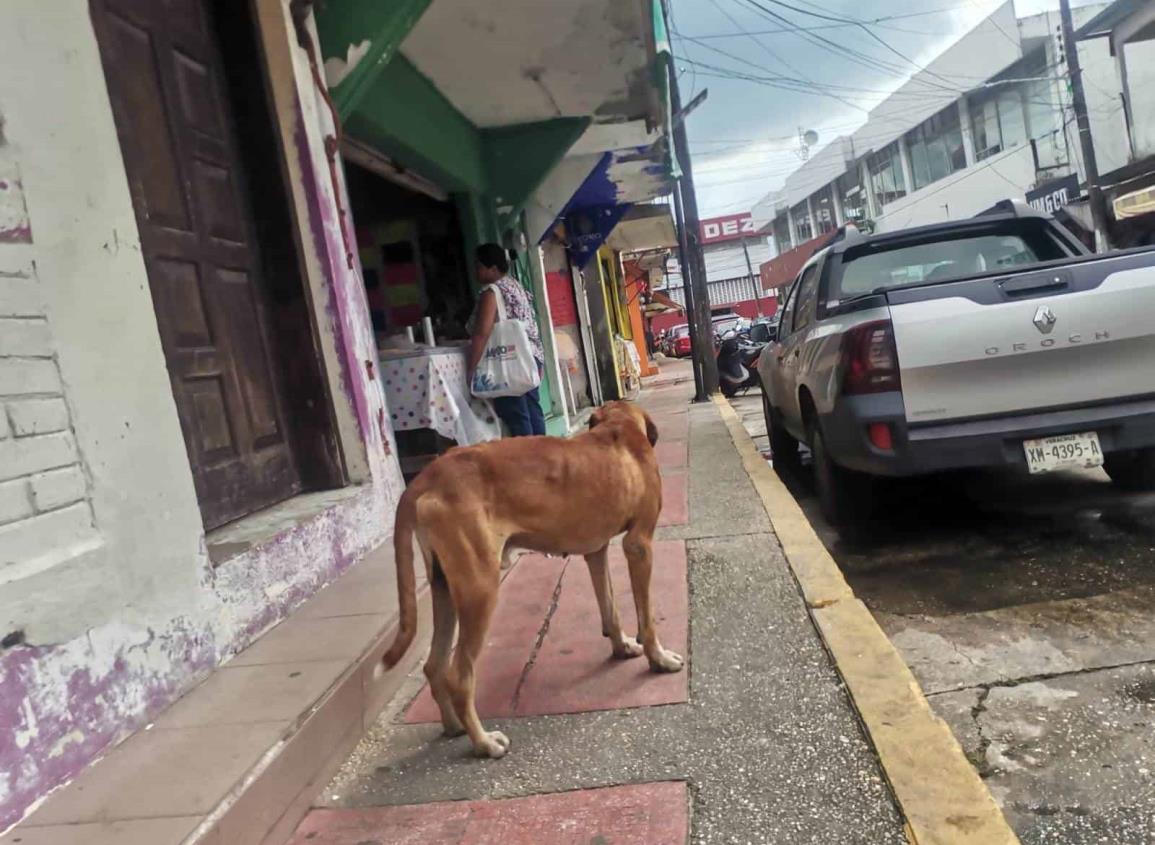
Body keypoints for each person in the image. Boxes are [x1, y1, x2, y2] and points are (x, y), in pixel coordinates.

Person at [468, 243, 546, 436]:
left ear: (493, 268)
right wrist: (540, 360)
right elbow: (531, 324)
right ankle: (545, 457)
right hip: (529, 357)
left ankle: (526, 463)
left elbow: (481, 333)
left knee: (517, 416)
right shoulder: (515, 286)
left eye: (479, 266)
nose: (475, 271)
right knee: (532, 410)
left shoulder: (492, 292)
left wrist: (472, 368)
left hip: (508, 359)